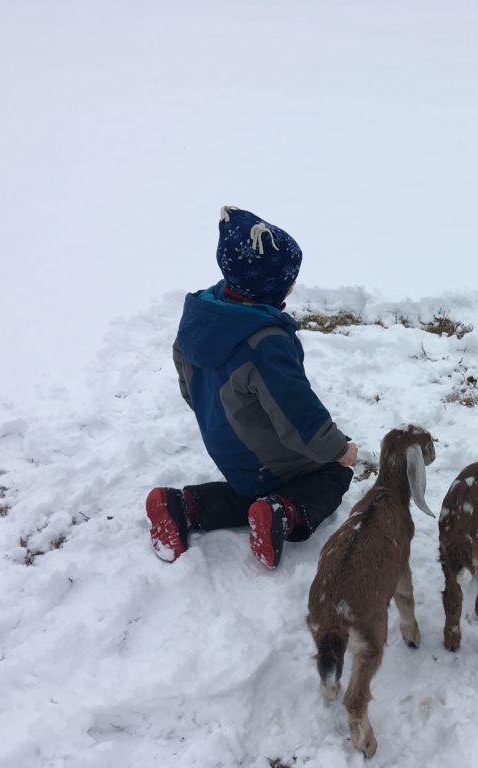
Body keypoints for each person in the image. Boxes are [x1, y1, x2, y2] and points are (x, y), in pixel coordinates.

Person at [146, 205, 357, 568]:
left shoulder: (203, 316)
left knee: (247, 490)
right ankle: (284, 512)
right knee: (333, 475)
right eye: (290, 279)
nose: (293, 283)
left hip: (228, 446)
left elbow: (188, 388)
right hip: (264, 456)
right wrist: (339, 449)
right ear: (271, 286)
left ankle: (183, 505)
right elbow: (296, 412)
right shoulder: (264, 341)